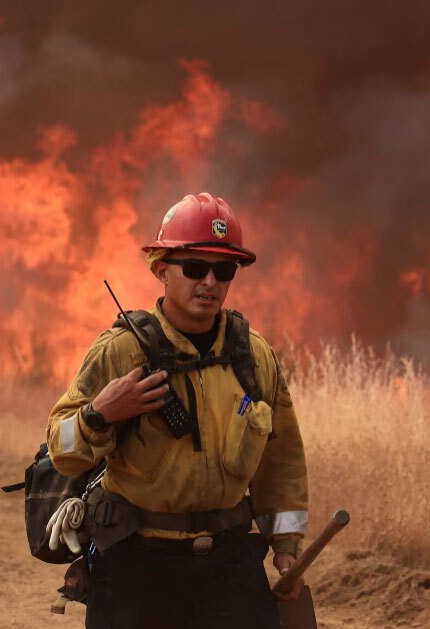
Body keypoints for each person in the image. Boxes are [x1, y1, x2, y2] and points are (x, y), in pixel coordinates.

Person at [46, 193, 309, 628]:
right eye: (195, 267)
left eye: (224, 270)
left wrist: (286, 547)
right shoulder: (121, 352)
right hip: (137, 561)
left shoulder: (254, 356)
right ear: (161, 269)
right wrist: (99, 414)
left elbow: (281, 461)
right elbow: (61, 449)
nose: (210, 282)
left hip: (229, 563)